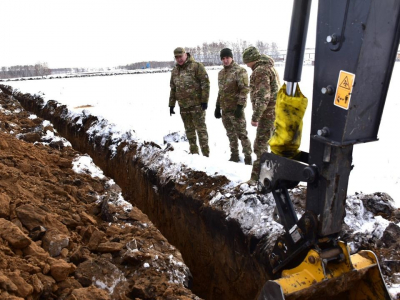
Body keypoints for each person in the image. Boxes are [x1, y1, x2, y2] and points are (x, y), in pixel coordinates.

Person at [242, 46, 281, 184]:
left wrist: (256, 116)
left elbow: (264, 96)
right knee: (271, 146)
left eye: (247, 62)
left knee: (260, 146)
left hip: (267, 114)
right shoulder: (269, 68)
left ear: (252, 59)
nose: (246, 65)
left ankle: (257, 179)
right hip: (275, 113)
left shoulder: (260, 71)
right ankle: (273, 176)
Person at [169, 47, 210, 157]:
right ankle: (194, 155)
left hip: (197, 106)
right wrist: (171, 105)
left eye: (180, 56)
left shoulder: (196, 66)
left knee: (201, 130)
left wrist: (204, 101)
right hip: (183, 107)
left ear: (185, 54)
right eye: (176, 57)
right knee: (189, 131)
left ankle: (206, 156)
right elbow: (173, 89)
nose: (179, 59)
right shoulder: (175, 71)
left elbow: (205, 84)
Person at [214, 48, 252, 165]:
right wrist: (217, 106)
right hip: (225, 110)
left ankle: (248, 157)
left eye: (227, 58)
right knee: (230, 134)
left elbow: (244, 90)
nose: (225, 60)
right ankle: (234, 155)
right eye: (223, 58)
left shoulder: (240, 71)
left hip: (236, 110)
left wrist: (240, 107)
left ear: (232, 57)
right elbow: (221, 92)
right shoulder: (221, 74)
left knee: (242, 135)